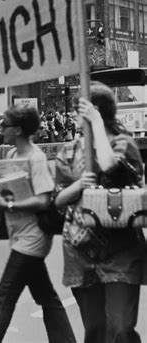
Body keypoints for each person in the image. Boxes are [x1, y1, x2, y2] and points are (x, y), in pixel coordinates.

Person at [0, 104, 76, 343]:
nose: (0, 129)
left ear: (17, 130)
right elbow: (9, 191)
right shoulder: (11, 155)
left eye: (5, 125)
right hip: (17, 234)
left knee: (3, 295)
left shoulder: (36, 158)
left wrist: (8, 205)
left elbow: (43, 200)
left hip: (33, 238)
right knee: (47, 297)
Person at [54, 82, 145, 343]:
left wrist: (96, 124)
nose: (72, 115)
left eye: (77, 110)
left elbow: (110, 166)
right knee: (95, 331)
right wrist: (79, 185)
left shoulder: (123, 143)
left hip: (121, 249)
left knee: (121, 328)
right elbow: (57, 199)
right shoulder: (69, 151)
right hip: (81, 249)